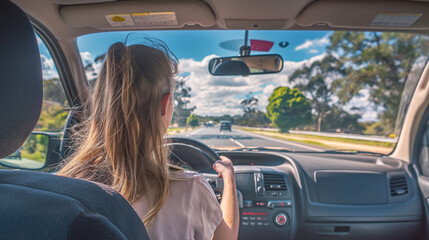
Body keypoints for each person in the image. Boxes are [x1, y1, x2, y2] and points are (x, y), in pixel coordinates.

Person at [58, 41, 239, 240]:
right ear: (165, 103)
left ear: (101, 103)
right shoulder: (190, 190)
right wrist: (229, 178)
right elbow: (226, 237)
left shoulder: (59, 186)